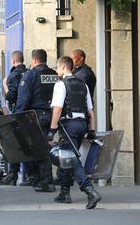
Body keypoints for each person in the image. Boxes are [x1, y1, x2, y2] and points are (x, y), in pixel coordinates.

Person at [47, 56, 101, 209]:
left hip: (68, 126)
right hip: (82, 124)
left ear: (63, 67)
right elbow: (91, 110)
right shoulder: (82, 84)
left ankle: (90, 191)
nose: (57, 71)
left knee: (71, 160)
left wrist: (52, 129)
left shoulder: (61, 84)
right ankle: (65, 193)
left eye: (57, 67)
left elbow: (57, 108)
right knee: (65, 158)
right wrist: (91, 130)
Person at [15, 49, 58, 192]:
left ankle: (46, 181)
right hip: (52, 115)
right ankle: (39, 179)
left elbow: (23, 99)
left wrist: (18, 117)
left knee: (38, 149)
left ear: (33, 60)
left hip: (35, 116)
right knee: (43, 146)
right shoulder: (54, 75)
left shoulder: (30, 75)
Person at [70, 49, 99, 177]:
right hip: (82, 112)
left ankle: (83, 174)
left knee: (75, 145)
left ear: (81, 58)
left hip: (81, 112)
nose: (71, 61)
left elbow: (74, 90)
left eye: (73, 58)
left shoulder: (83, 73)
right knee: (75, 145)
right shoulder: (79, 71)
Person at [2, 50, 27, 186]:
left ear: (13, 61)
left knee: (15, 144)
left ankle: (13, 174)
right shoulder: (29, 73)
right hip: (29, 114)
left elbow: (10, 96)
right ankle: (30, 175)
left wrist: (4, 84)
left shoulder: (13, 75)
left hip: (17, 113)